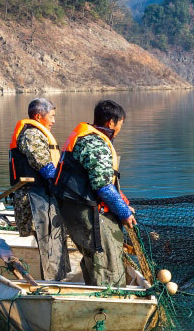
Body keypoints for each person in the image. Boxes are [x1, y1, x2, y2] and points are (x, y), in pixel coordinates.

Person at [53, 100, 136, 287]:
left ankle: (95, 292)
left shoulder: (85, 137)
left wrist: (121, 201)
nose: (120, 128)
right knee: (106, 262)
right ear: (111, 123)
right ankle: (108, 300)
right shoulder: (95, 143)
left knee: (94, 258)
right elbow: (103, 186)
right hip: (86, 212)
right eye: (120, 123)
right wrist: (124, 213)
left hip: (73, 208)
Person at [8, 98, 71, 280]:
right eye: (51, 116)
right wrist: (66, 187)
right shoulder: (32, 135)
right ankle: (52, 285)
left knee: (52, 242)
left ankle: (55, 280)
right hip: (34, 199)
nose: (54, 121)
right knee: (48, 243)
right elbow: (45, 166)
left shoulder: (37, 133)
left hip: (41, 196)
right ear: (38, 116)